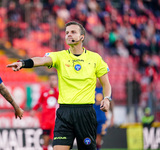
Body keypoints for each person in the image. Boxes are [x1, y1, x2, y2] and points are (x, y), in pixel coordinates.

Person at [7, 21, 112, 150]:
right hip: (64, 113)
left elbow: (106, 84)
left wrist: (107, 99)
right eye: (67, 32)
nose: (69, 35)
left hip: (86, 113)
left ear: (82, 37)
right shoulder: (59, 56)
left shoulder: (95, 58)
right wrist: (23, 63)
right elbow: (41, 60)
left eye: (73, 32)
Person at [31, 73, 59, 150]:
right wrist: (34, 110)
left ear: (57, 81)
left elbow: (59, 99)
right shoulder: (45, 91)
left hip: (55, 121)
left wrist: (55, 89)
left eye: (54, 79)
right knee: (45, 140)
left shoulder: (58, 92)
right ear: (48, 80)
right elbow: (39, 102)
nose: (52, 81)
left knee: (55, 140)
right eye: (51, 79)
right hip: (46, 120)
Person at [93, 80, 114, 150]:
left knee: (99, 137)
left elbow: (111, 104)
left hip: (102, 118)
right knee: (92, 137)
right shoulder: (91, 88)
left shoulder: (106, 89)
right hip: (92, 117)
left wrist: (112, 117)